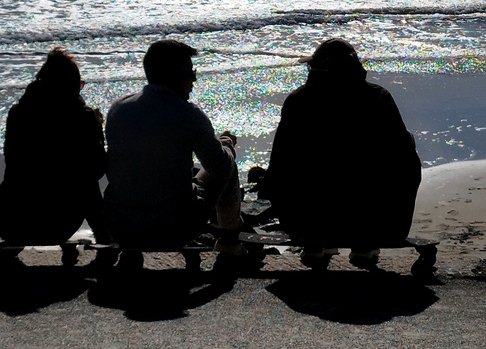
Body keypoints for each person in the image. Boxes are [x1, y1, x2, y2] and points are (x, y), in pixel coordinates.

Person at [263, 39, 421, 269]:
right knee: (405, 151)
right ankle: (365, 245)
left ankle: (315, 243)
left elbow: (279, 165)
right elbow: (404, 160)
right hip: (370, 221)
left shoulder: (298, 102)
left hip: (307, 221)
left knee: (287, 160)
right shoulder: (378, 98)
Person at [104, 39, 243, 257]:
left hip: (120, 229)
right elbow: (219, 167)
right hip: (172, 231)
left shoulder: (118, 109)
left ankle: (132, 253)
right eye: (191, 74)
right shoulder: (188, 114)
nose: (194, 81)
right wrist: (226, 144)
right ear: (175, 76)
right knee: (227, 160)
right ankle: (230, 241)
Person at [0, 47, 109, 248]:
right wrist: (97, 129)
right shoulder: (81, 116)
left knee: (23, 176)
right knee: (86, 180)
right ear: (73, 86)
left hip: (11, 216)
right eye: (80, 86)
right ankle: (104, 237)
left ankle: (10, 237)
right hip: (57, 222)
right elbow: (98, 168)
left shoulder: (18, 113)